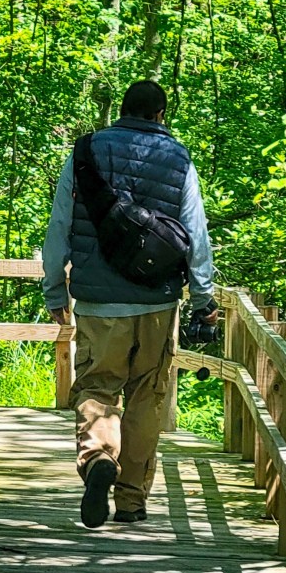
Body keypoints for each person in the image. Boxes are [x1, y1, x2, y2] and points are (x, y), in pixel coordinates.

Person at [42, 80, 217, 529]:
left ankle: (99, 457)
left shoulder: (86, 151)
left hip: (99, 302)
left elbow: (59, 225)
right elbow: (196, 233)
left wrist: (55, 290)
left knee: (98, 386)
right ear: (161, 114)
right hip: (157, 301)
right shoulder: (177, 157)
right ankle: (131, 501)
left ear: (122, 109)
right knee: (146, 396)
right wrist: (203, 299)